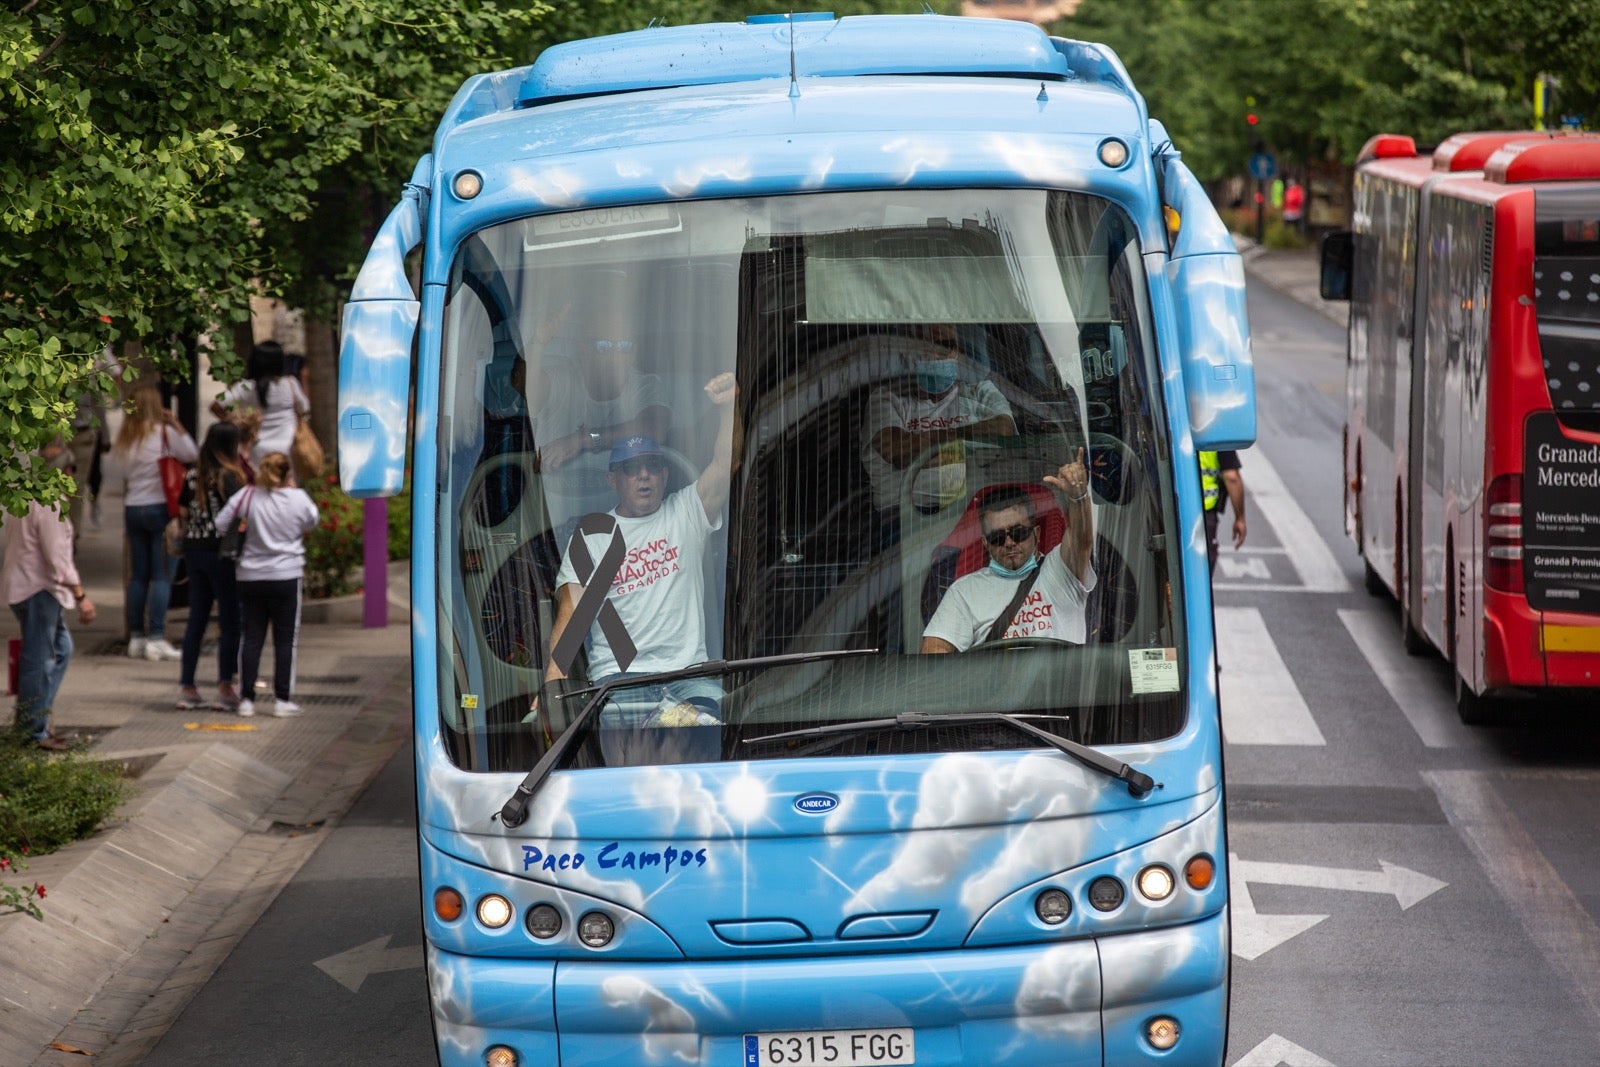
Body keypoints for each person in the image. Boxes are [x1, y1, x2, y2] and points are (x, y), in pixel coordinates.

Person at [541, 372, 738, 724]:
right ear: (613, 480)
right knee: (620, 765)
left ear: (664, 475)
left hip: (688, 677)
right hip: (618, 683)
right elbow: (572, 613)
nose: (644, 474)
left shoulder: (687, 511)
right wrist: (551, 690)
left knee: (727, 737)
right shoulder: (592, 535)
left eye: (653, 465)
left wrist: (729, 408)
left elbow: (726, 464)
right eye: (631, 468)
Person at [920, 450, 1096, 653]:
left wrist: (1079, 496)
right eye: (997, 537)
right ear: (985, 543)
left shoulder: (1064, 570)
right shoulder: (964, 591)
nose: (1009, 542)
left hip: (1058, 682)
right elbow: (934, 652)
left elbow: (1082, 541)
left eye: (1018, 532)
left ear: (1036, 533)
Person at [861, 325, 1017, 518]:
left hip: (980, 510)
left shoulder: (980, 392)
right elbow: (900, 451)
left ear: (958, 353)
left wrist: (928, 448)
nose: (934, 354)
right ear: (908, 353)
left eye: (944, 345)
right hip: (901, 521)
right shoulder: (886, 399)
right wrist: (973, 448)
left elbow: (1003, 433)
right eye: (924, 346)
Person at [2, 447, 97, 750]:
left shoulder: (27, 498)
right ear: (64, 472)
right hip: (38, 589)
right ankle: (32, 730)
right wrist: (80, 593)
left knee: (59, 650)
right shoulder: (50, 504)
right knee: (40, 659)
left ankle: (34, 719)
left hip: (25, 586)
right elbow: (56, 557)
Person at [214, 452, 319, 717]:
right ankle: (282, 699)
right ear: (287, 474)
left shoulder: (248, 495)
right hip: (286, 575)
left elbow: (220, 522)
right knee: (285, 641)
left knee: (251, 638)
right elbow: (312, 520)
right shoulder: (298, 498)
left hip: (250, 576)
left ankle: (247, 699)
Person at [114, 385, 197, 661]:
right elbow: (191, 453)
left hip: (132, 509)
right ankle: (157, 637)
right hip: (160, 508)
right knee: (162, 576)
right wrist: (175, 422)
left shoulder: (126, 437)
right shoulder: (163, 434)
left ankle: (136, 636)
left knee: (139, 575)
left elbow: (122, 472)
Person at [528, 310, 670, 472]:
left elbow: (655, 430)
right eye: (604, 346)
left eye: (624, 346)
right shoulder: (564, 379)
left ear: (633, 353)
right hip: (549, 495)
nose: (615, 355)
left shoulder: (645, 386)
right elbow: (524, 390)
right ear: (583, 348)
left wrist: (581, 440)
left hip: (622, 496)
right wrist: (538, 343)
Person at [175, 422, 249, 711]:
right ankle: (225, 686)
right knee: (230, 621)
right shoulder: (229, 475)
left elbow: (182, 510)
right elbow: (241, 512)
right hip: (221, 553)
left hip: (193, 552)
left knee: (197, 619)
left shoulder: (193, 473)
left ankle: (187, 686)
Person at [212, 340, 311, 467]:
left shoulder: (245, 387)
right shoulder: (290, 383)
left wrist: (236, 423)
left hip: (258, 446)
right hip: (288, 445)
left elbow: (216, 406)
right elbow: (305, 408)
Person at [1200, 450, 1247, 574]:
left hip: (1165, 511)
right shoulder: (1214, 431)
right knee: (1201, 573)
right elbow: (1232, 477)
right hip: (1203, 516)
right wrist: (1240, 518)